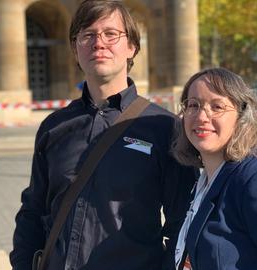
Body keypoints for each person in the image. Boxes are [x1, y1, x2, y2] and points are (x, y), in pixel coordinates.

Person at [10, 1, 197, 269]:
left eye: (111, 34)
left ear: (131, 46)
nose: (99, 43)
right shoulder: (54, 127)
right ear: (76, 48)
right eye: (87, 35)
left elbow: (183, 219)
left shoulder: (164, 128)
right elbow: (32, 211)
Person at [172, 67, 257, 270]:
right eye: (193, 105)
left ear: (242, 116)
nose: (201, 116)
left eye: (217, 107)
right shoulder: (203, 183)